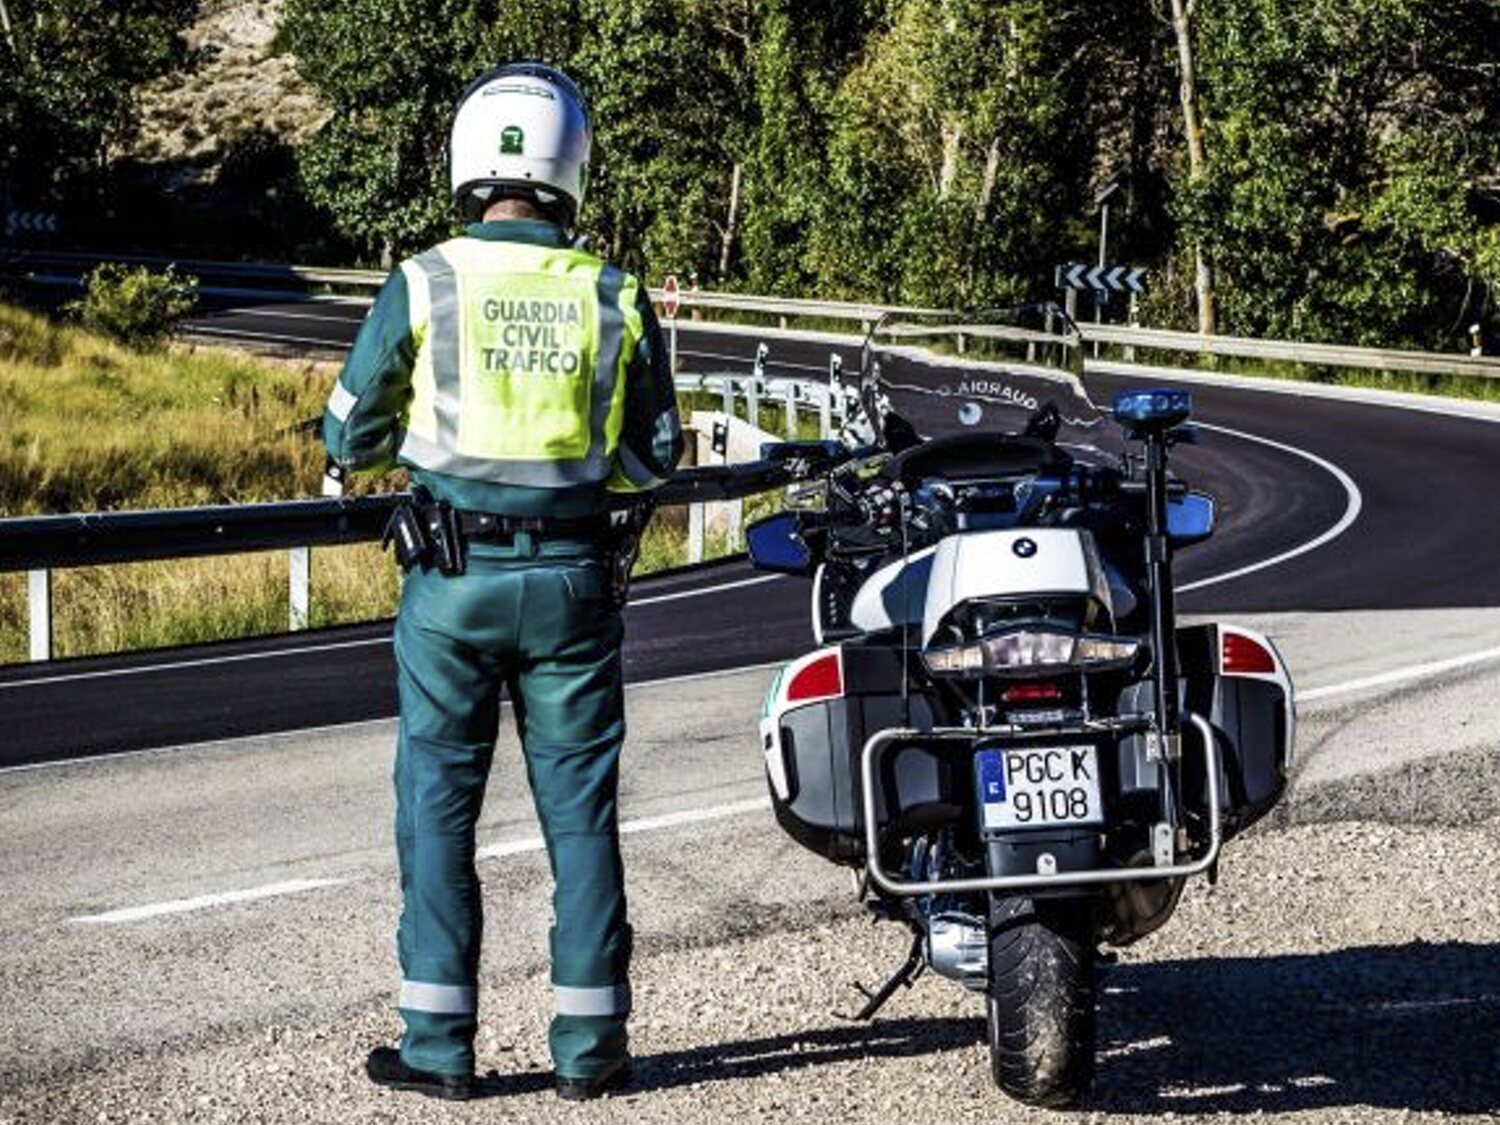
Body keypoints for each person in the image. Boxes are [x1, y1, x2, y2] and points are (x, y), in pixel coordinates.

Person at [320, 61, 682, 1102]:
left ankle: (437, 1049)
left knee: (438, 810)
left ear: (469, 162)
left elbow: (352, 427)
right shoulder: (611, 293)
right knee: (581, 817)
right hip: (573, 584)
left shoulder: (428, 279)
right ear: (572, 165)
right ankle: (592, 1052)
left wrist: (394, 447)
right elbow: (651, 459)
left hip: (451, 583)